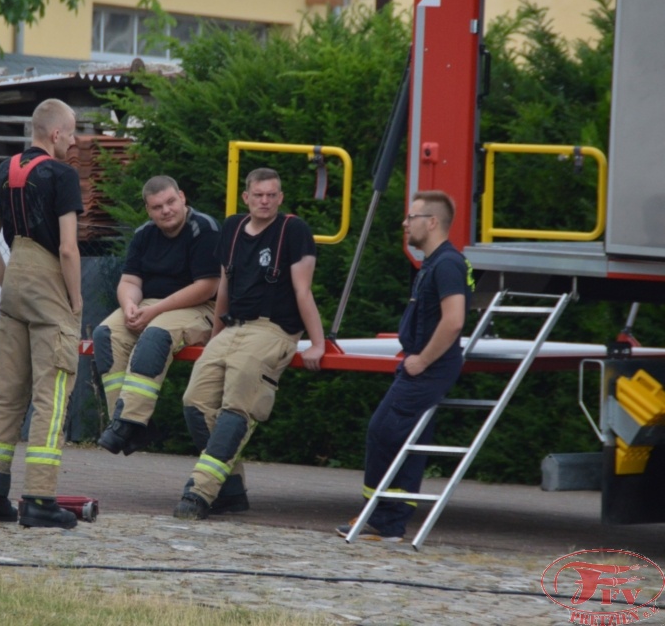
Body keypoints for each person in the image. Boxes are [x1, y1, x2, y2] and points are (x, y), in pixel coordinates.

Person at [173, 167, 326, 520]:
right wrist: (215, 337)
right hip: (231, 329)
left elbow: (303, 290)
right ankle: (231, 491)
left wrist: (316, 343)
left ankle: (199, 492)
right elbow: (224, 284)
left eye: (272, 195)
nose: (265, 201)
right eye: (258, 195)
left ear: (281, 197)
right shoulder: (232, 228)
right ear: (246, 197)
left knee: (236, 409)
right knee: (194, 403)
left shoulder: (294, 230)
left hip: (272, 331)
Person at [0, 98, 84, 529]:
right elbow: (69, 249)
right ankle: (38, 499)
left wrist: (10, 287)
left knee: (6, 395)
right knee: (51, 395)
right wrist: (74, 301)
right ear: (55, 134)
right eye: (71, 134)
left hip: (14, 281)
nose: (74, 142)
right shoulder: (62, 175)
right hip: (50, 281)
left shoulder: (5, 169)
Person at [337, 190, 473, 542]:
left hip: (428, 368)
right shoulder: (435, 262)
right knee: (406, 438)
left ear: (431, 222)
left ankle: (382, 519)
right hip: (422, 366)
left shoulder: (446, 264)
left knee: (384, 431)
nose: (404, 223)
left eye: (411, 217)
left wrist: (422, 360)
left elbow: (454, 320)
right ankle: (388, 521)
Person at [93, 175, 220, 457]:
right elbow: (130, 281)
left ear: (183, 197)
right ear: (148, 210)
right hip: (152, 305)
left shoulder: (204, 229)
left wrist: (154, 311)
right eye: (157, 206)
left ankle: (127, 423)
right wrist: (129, 306)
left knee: (156, 334)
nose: (166, 210)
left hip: (199, 308)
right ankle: (130, 425)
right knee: (105, 333)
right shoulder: (143, 234)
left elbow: (207, 287)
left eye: (171, 202)